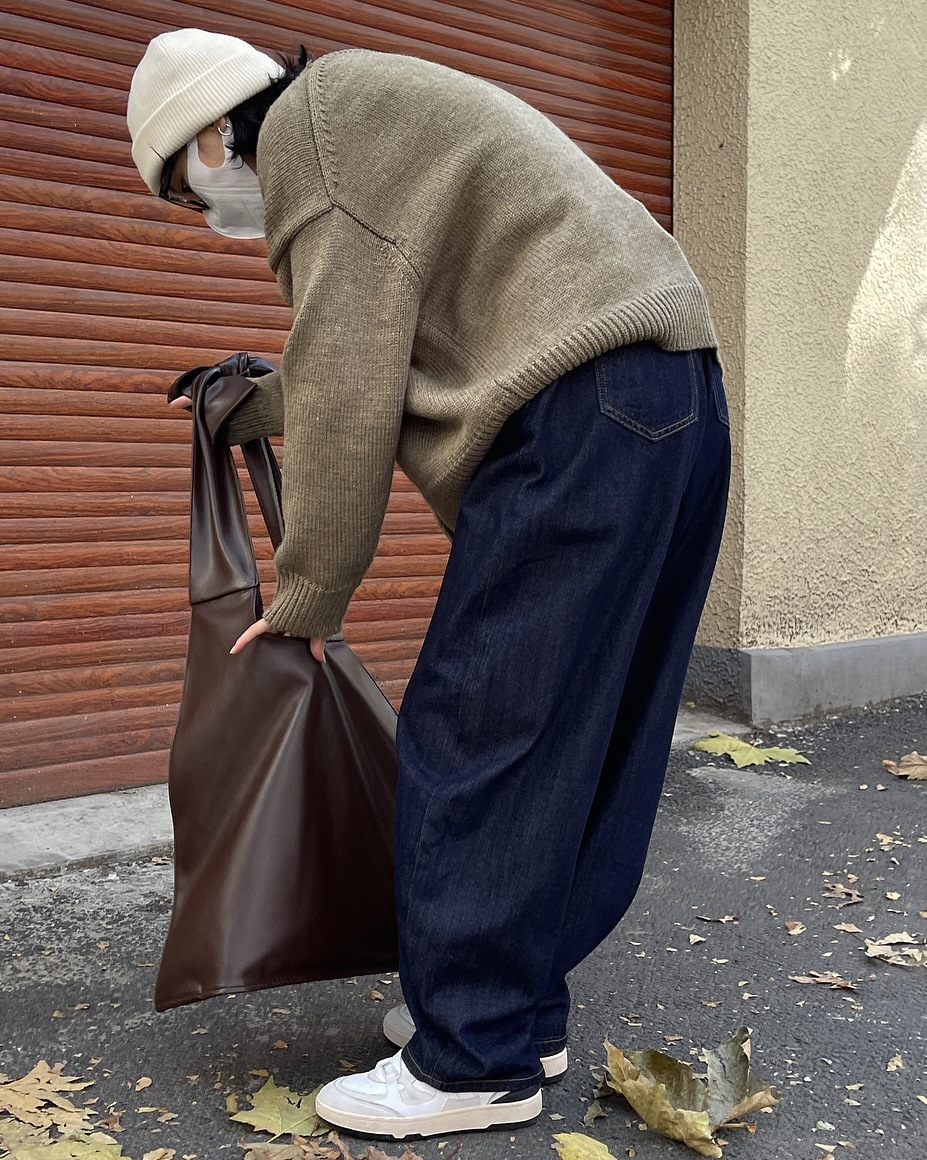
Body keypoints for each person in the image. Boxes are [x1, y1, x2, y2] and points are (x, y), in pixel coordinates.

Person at [126, 28, 731, 1141]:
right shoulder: (367, 110)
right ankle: (511, 1013)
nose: (200, 215)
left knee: (474, 729)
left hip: (579, 410)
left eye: (181, 190)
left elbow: (350, 376)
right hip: (671, 395)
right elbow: (378, 343)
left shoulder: (310, 137)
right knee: (575, 733)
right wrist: (257, 402)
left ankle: (470, 1061)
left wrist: (309, 595)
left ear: (211, 134)